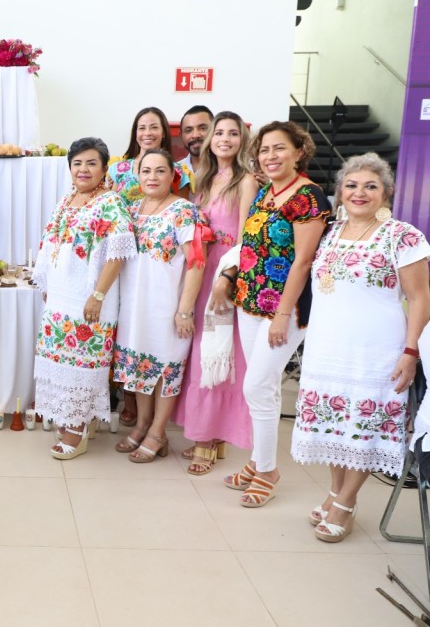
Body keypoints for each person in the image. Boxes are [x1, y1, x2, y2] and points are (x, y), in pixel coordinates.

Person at [291, 153, 430, 542]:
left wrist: (411, 351)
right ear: (340, 192)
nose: (360, 192)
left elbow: (420, 298)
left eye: (371, 186)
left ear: (386, 192)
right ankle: (335, 492)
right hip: (328, 346)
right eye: (351, 185)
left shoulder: (404, 236)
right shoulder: (331, 232)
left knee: (363, 428)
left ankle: (347, 503)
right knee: (336, 428)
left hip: (377, 350)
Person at [212, 121, 331, 508]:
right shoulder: (267, 192)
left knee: (255, 386)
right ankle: (258, 461)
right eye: (264, 150)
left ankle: (268, 471)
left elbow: (303, 262)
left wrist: (282, 314)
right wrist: (230, 277)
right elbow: (250, 245)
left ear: (299, 151)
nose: (270, 156)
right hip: (251, 301)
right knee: (263, 386)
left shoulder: (309, 197)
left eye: (279, 148)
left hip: (287, 309)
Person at [32, 137, 137, 460]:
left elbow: (117, 255)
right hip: (61, 298)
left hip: (90, 299)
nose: (83, 169)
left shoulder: (111, 203)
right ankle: (79, 421)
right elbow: (52, 245)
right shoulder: (67, 200)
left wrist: (98, 295)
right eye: (77, 163)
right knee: (59, 360)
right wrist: (47, 283)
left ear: (104, 168)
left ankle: (75, 433)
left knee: (82, 365)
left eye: (91, 163)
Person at [173, 111, 259, 474]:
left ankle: (207, 441)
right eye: (218, 132)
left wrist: (228, 277)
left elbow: (243, 238)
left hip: (224, 272)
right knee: (200, 352)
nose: (224, 139)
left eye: (232, 133)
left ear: (242, 140)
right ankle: (212, 435)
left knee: (220, 351)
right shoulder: (203, 178)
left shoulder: (246, 180)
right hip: (199, 268)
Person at [113, 149, 205, 462]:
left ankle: (158, 431)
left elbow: (196, 262)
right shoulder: (131, 208)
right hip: (134, 307)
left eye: (160, 171)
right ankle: (141, 425)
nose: (152, 177)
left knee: (165, 366)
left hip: (166, 306)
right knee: (140, 366)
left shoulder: (184, 211)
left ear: (172, 175)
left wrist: (184, 310)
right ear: (137, 176)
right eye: (146, 171)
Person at [106, 107, 194, 208]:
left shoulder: (178, 171)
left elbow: (184, 209)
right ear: (136, 133)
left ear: (164, 133)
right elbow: (111, 209)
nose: (147, 133)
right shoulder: (118, 169)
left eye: (154, 127)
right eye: (142, 128)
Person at [177, 105, 214, 173]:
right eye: (189, 130)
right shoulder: (175, 171)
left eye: (203, 128)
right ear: (181, 135)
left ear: (215, 130)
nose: (195, 135)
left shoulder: (228, 170)